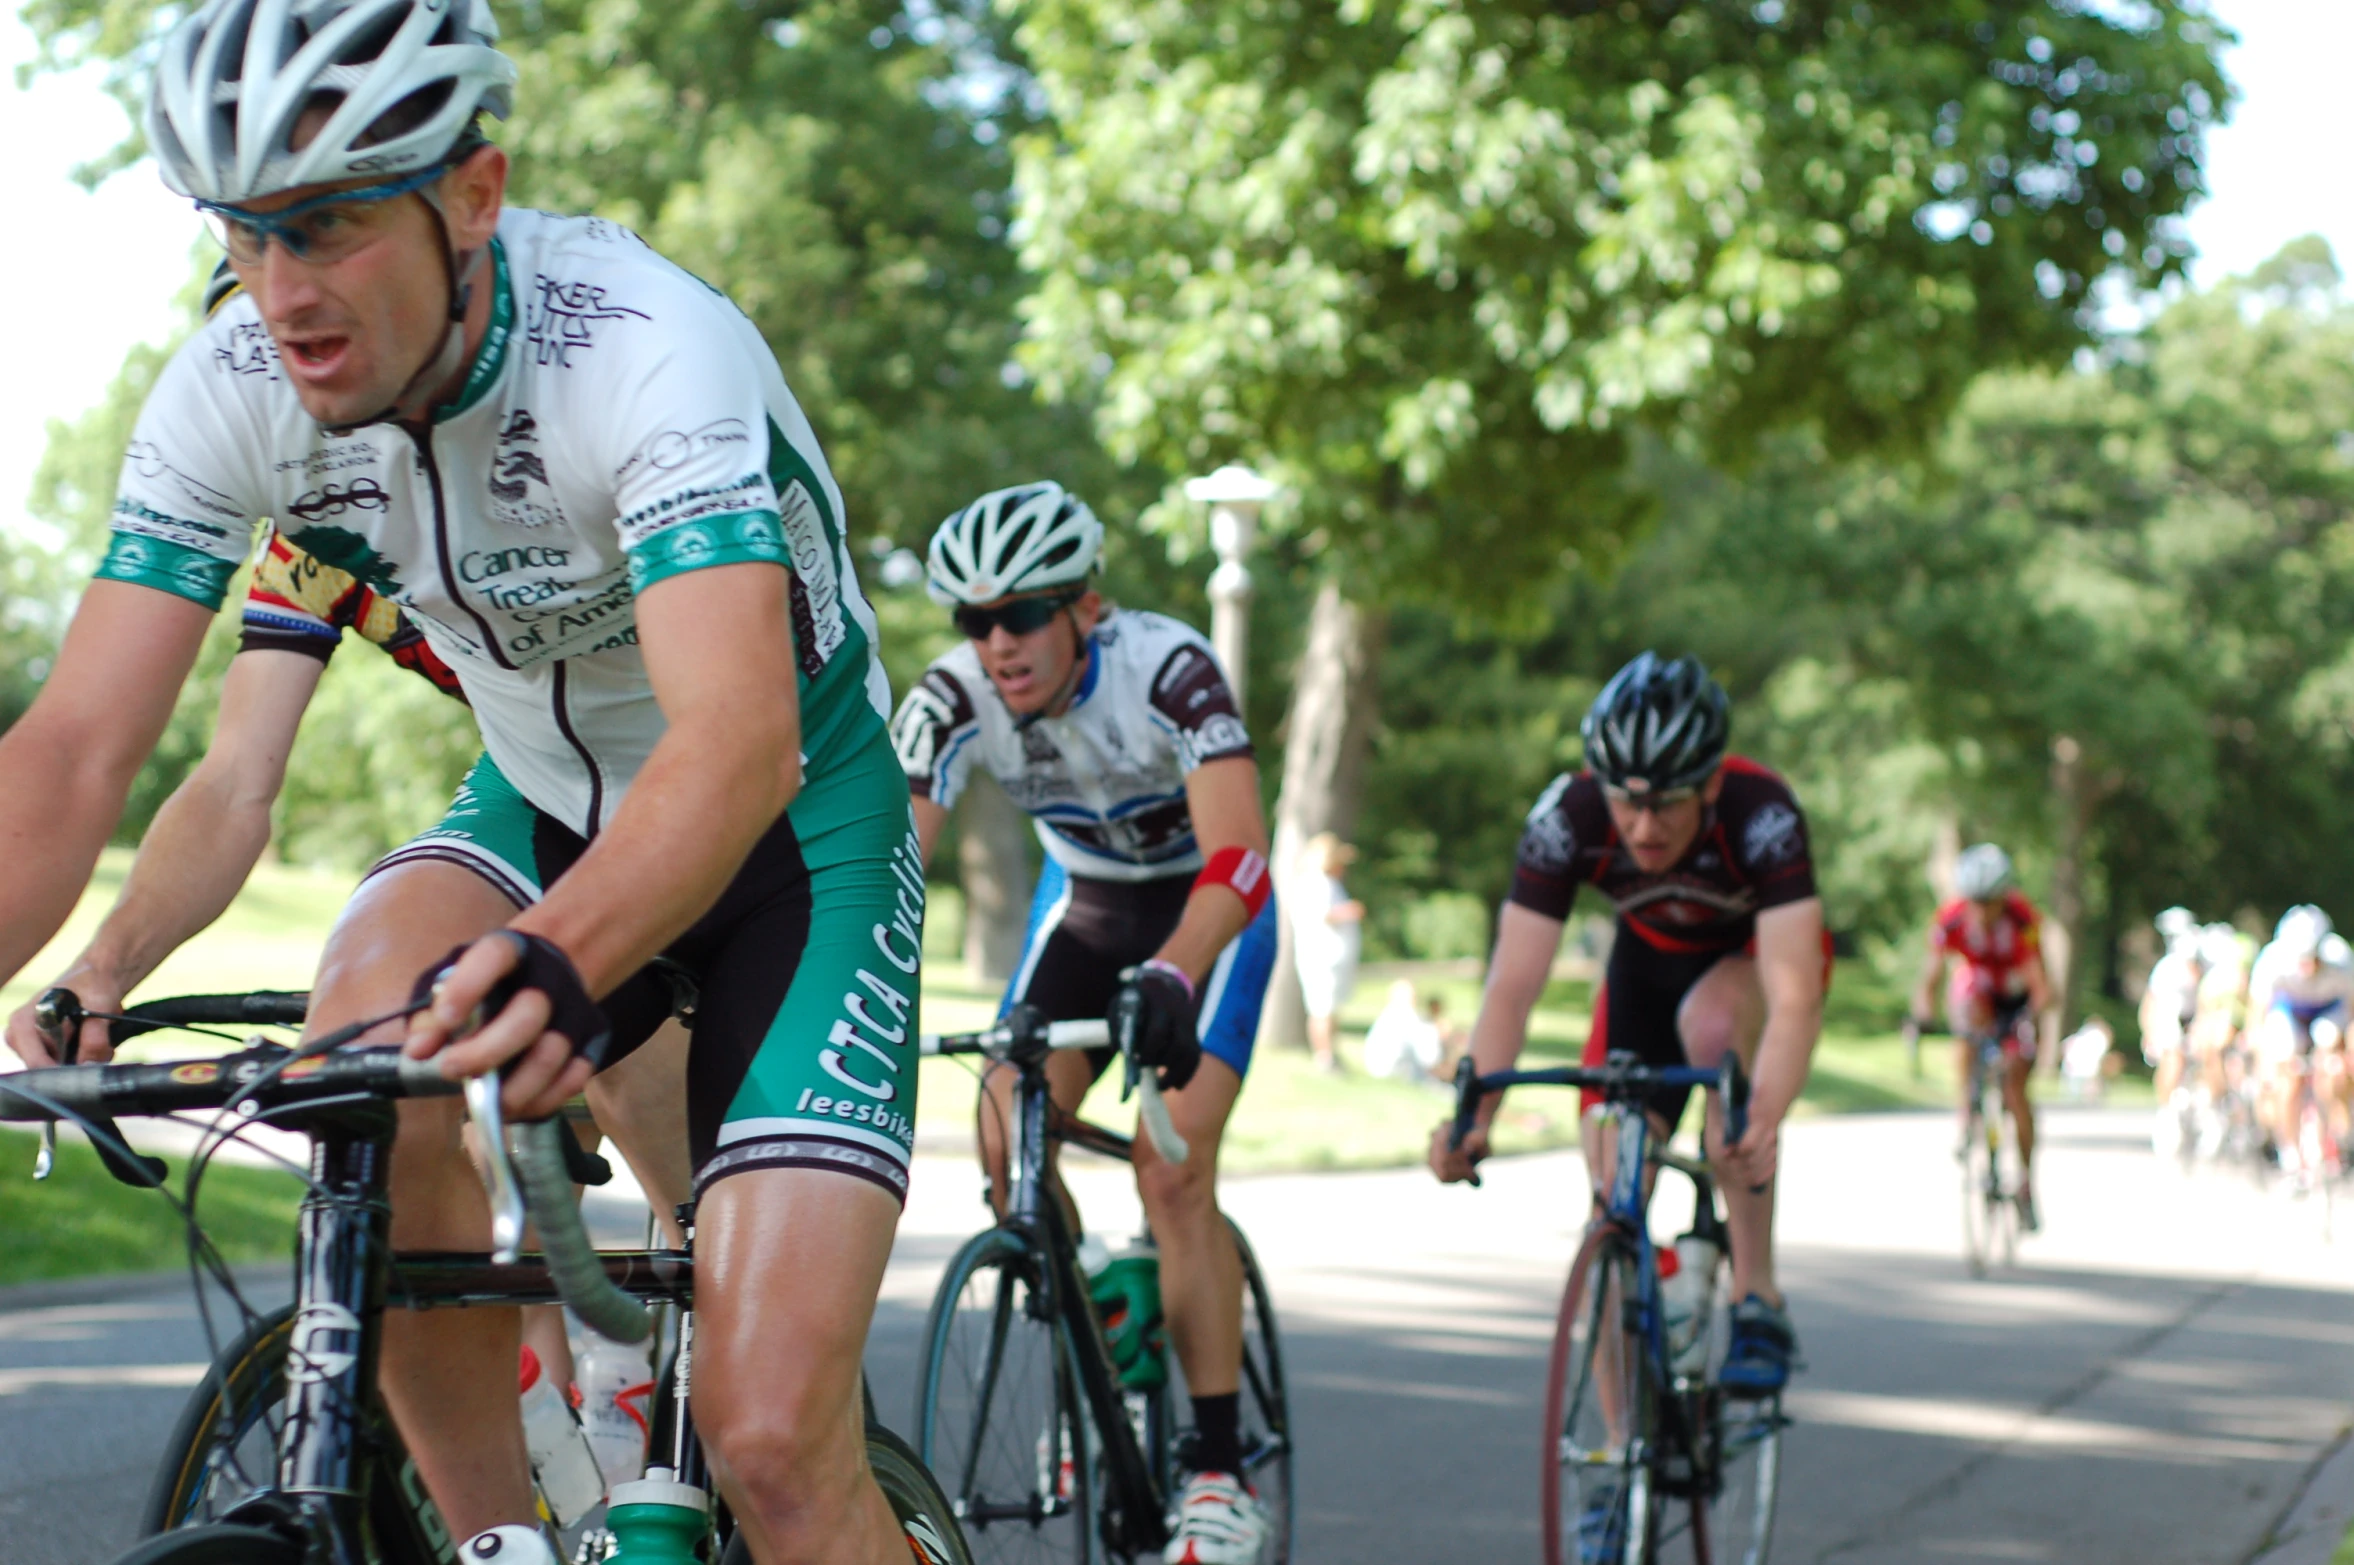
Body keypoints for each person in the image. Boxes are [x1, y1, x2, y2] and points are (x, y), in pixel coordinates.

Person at [0, 0, 920, 1555]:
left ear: (473, 195)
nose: (282, 296)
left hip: (791, 828)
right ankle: (499, 1539)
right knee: (360, 1027)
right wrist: (86, 958)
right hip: (539, 800)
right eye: (243, 235)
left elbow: (737, 740)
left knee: (770, 1442)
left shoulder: (639, 345)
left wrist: (562, 954)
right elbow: (78, 752)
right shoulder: (237, 392)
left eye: (330, 227)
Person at [890, 481, 1279, 1565]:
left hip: (1207, 911)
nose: (997, 642)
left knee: (1170, 1165)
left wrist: (1170, 974)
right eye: (973, 621)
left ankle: (1214, 1468)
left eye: (1021, 614)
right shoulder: (949, 698)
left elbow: (1240, 855)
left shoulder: (1169, 667)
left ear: (1086, 608)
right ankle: (1094, 1329)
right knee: (1001, 1124)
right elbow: (884, 867)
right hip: (1091, 907)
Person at [1427, 652, 1828, 1404]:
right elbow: (1512, 987)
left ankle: (1755, 1296)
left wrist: (1762, 1113)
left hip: (1747, 970)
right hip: (1643, 973)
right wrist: (1472, 1115)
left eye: (1668, 803)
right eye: (1625, 803)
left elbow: (1795, 994)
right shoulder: (1567, 818)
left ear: (1710, 783)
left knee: (1715, 1044)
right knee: (1612, 1194)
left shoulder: (1762, 813)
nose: (1643, 827)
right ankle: (1614, 1463)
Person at [1910, 843, 2052, 1233]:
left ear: (2003, 899)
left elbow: (2042, 987)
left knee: (2015, 1087)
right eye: (1974, 901)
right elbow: (1932, 975)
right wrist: (1923, 1012)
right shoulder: (1951, 919)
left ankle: (2024, 1182)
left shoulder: (2023, 920)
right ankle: (1966, 1112)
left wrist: (2030, 1023)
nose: (1981, 910)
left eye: (1989, 902)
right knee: (1966, 1014)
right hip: (1979, 992)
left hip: (2017, 992)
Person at [2247, 905, 2354, 1179]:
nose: (2306, 965)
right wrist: (2264, 1063)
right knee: (2287, 1068)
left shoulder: (2342, 958)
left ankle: (2339, 1134)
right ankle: (2290, 1150)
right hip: (2288, 1012)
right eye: (2300, 958)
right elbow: (2257, 1016)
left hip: (2329, 1012)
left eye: (2312, 957)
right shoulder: (2272, 959)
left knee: (2330, 1050)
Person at [1290, 831, 1364, 1071]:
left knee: (1329, 1009)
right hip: (1322, 958)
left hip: (1330, 959)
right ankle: (1325, 1057)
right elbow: (1323, 915)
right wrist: (1349, 911)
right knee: (1322, 1009)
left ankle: (1331, 1054)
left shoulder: (1325, 883)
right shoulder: (1316, 883)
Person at [2139, 906, 2206, 1105]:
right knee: (2173, 1055)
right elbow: (2150, 1004)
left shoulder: (2205, 969)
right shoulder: (2167, 969)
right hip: (2170, 1018)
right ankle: (2166, 1106)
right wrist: (2149, 1033)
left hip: (2195, 1018)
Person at [1364, 977, 1445, 1082]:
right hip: (1398, 1071)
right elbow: (1430, 1058)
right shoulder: (1408, 1017)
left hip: (1378, 1069)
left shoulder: (1387, 1015)